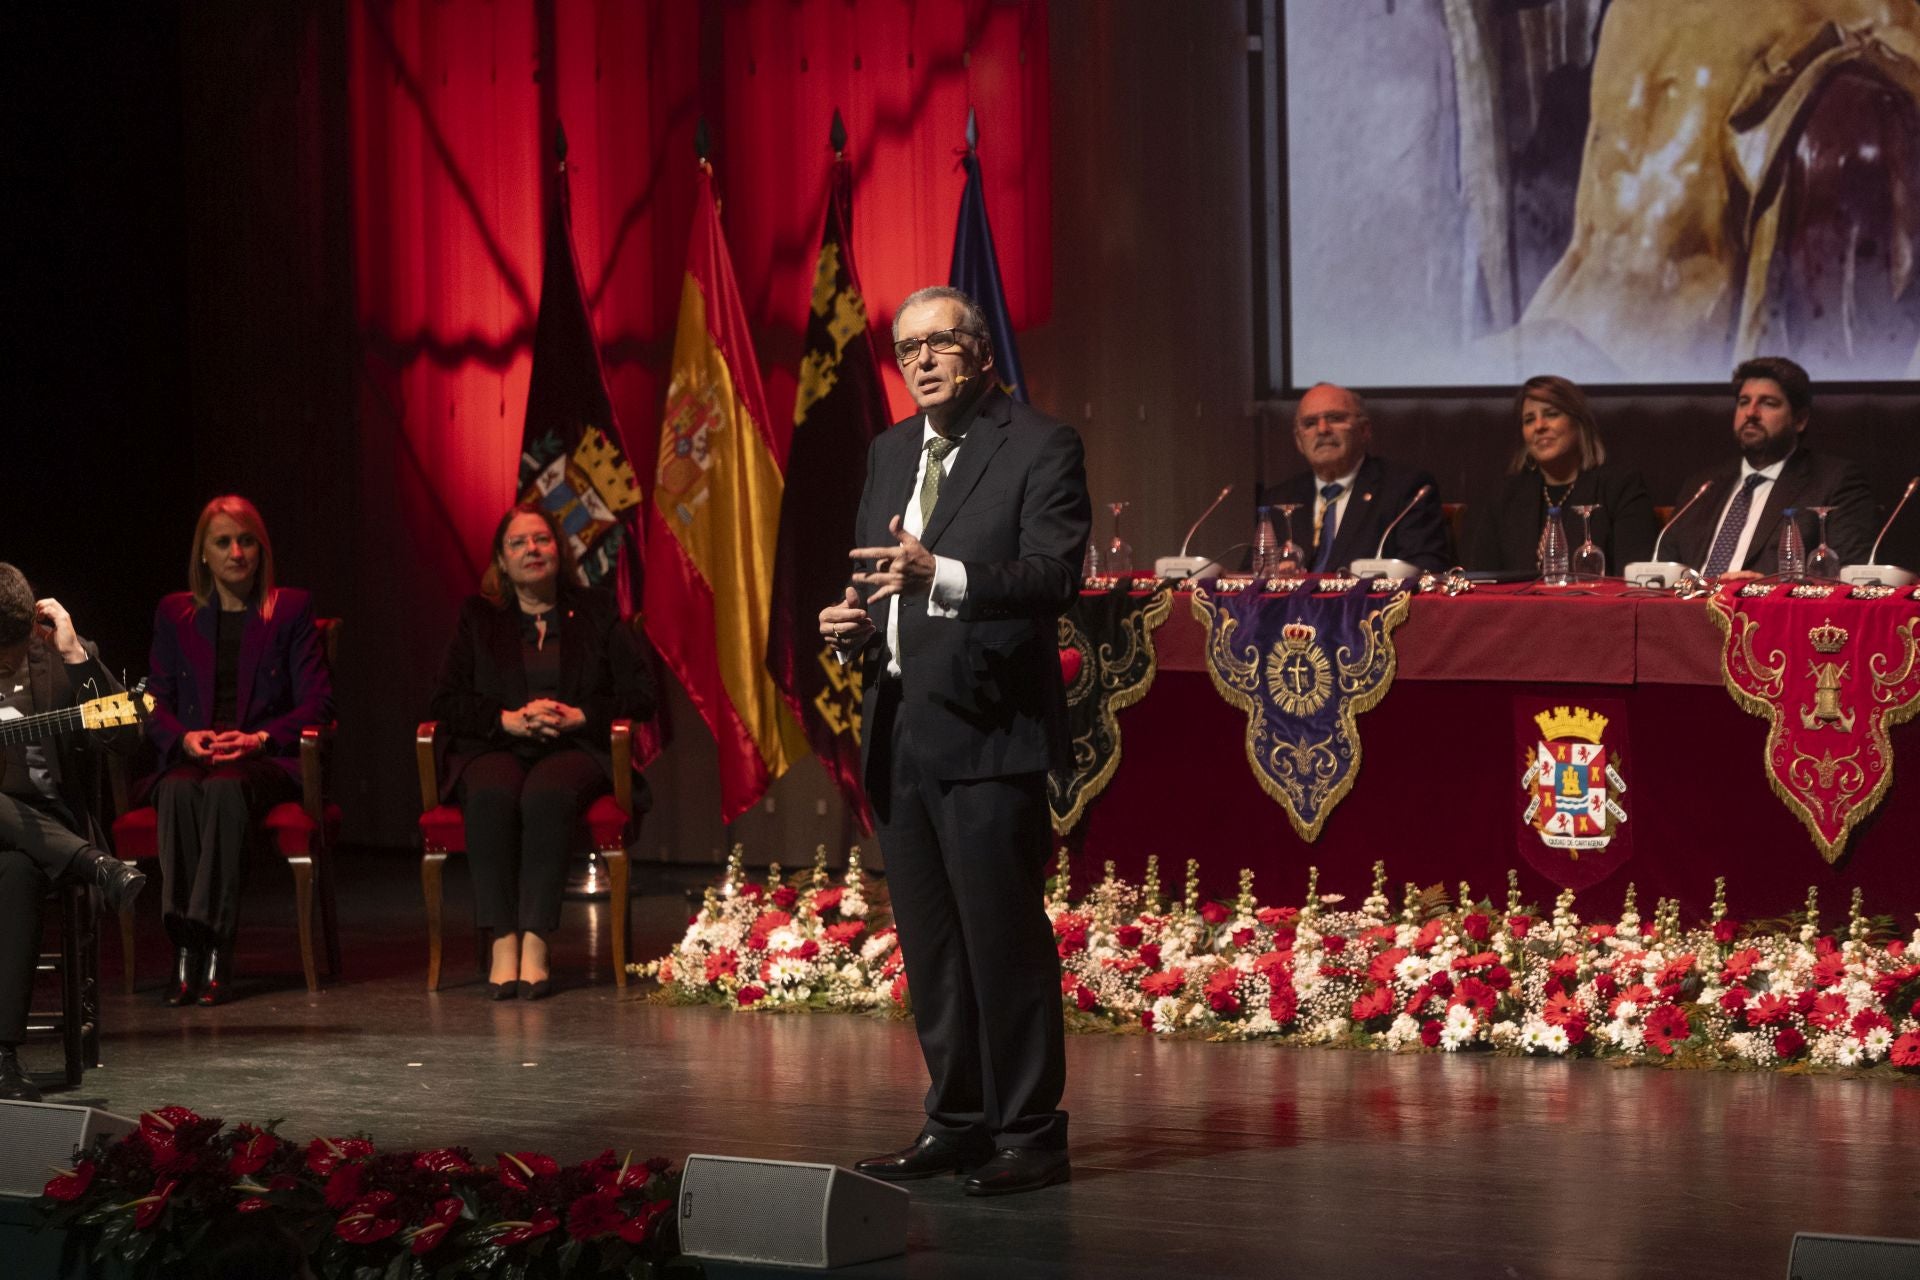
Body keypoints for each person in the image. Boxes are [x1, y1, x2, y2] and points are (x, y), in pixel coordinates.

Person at [818, 285, 1089, 1197]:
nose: (921, 362)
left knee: (1001, 941)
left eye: (938, 344)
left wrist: (945, 573)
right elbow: (879, 581)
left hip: (990, 734)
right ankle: (958, 1119)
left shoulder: (1040, 445)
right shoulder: (890, 451)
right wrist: (854, 624)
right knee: (933, 946)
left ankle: (1031, 1133)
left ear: (977, 351)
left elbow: (1052, 576)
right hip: (901, 727)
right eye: (906, 350)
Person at [428, 502, 655, 1000]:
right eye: (518, 543)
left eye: (542, 539)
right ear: (502, 561)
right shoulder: (478, 618)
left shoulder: (594, 611)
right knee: (490, 795)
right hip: (497, 743)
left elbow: (642, 693)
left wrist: (582, 715)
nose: (532, 550)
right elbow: (445, 700)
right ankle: (502, 938)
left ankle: (535, 939)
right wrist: (504, 719)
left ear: (559, 549)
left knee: (546, 797)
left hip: (572, 747)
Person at [146, 496, 332, 1007]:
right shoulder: (175, 613)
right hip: (195, 755)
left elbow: (318, 700)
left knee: (227, 791)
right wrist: (184, 739)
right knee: (178, 790)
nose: (237, 552)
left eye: (246, 540)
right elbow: (152, 699)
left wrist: (259, 739)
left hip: (261, 759)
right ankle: (185, 948)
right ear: (203, 553)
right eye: (223, 541)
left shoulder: (289, 609)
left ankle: (212, 945)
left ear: (261, 549)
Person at [0, 564, 146, 1102]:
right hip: (57, 848)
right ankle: (96, 865)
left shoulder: (58, 652)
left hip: (41, 833)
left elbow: (127, 736)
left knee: (16, 872)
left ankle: (1, 1057)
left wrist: (77, 657)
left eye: (15, 647)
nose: (9, 661)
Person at [1660, 357, 1877, 578]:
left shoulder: (1834, 482)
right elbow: (1664, 569)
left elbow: (1849, 577)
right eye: (1744, 402)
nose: (1751, 413)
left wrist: (1770, 590)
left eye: (1768, 403)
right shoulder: (1702, 486)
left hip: (1768, 610)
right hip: (1688, 608)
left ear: (1800, 419)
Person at [1462, 374, 1656, 574]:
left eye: (1552, 414)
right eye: (1529, 420)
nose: (1539, 426)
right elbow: (1481, 576)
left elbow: (1634, 578)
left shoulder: (1620, 488)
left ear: (1578, 422)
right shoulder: (1505, 496)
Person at [1257, 383, 1450, 573]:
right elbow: (1253, 574)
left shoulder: (1405, 489)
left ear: (1364, 430)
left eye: (1335, 418)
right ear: (1299, 441)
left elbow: (1427, 569)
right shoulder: (1278, 499)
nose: (1323, 429)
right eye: (1310, 423)